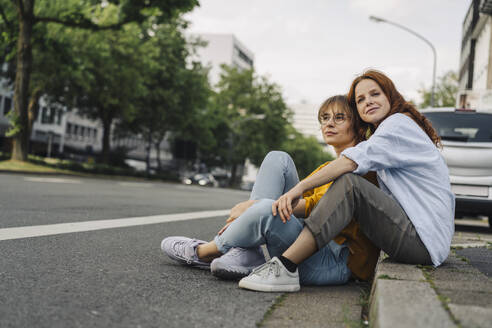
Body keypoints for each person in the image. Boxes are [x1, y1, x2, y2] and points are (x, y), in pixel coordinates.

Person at [237, 69, 455, 293]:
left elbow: (350, 161)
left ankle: (284, 267)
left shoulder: (398, 124)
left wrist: (298, 188)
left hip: (422, 243)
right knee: (340, 180)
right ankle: (244, 250)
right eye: (360, 99)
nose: (368, 102)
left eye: (375, 94)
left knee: (350, 184)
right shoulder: (391, 131)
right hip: (421, 239)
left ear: (390, 96)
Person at [161, 95, 380, 290]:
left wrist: (253, 207)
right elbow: (296, 196)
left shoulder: (361, 166)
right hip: (313, 244)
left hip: (334, 263)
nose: (329, 123)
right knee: (278, 158)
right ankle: (247, 252)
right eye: (324, 118)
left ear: (358, 126)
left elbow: (321, 207)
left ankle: (204, 252)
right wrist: (258, 208)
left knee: (268, 208)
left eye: (339, 117)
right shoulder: (327, 168)